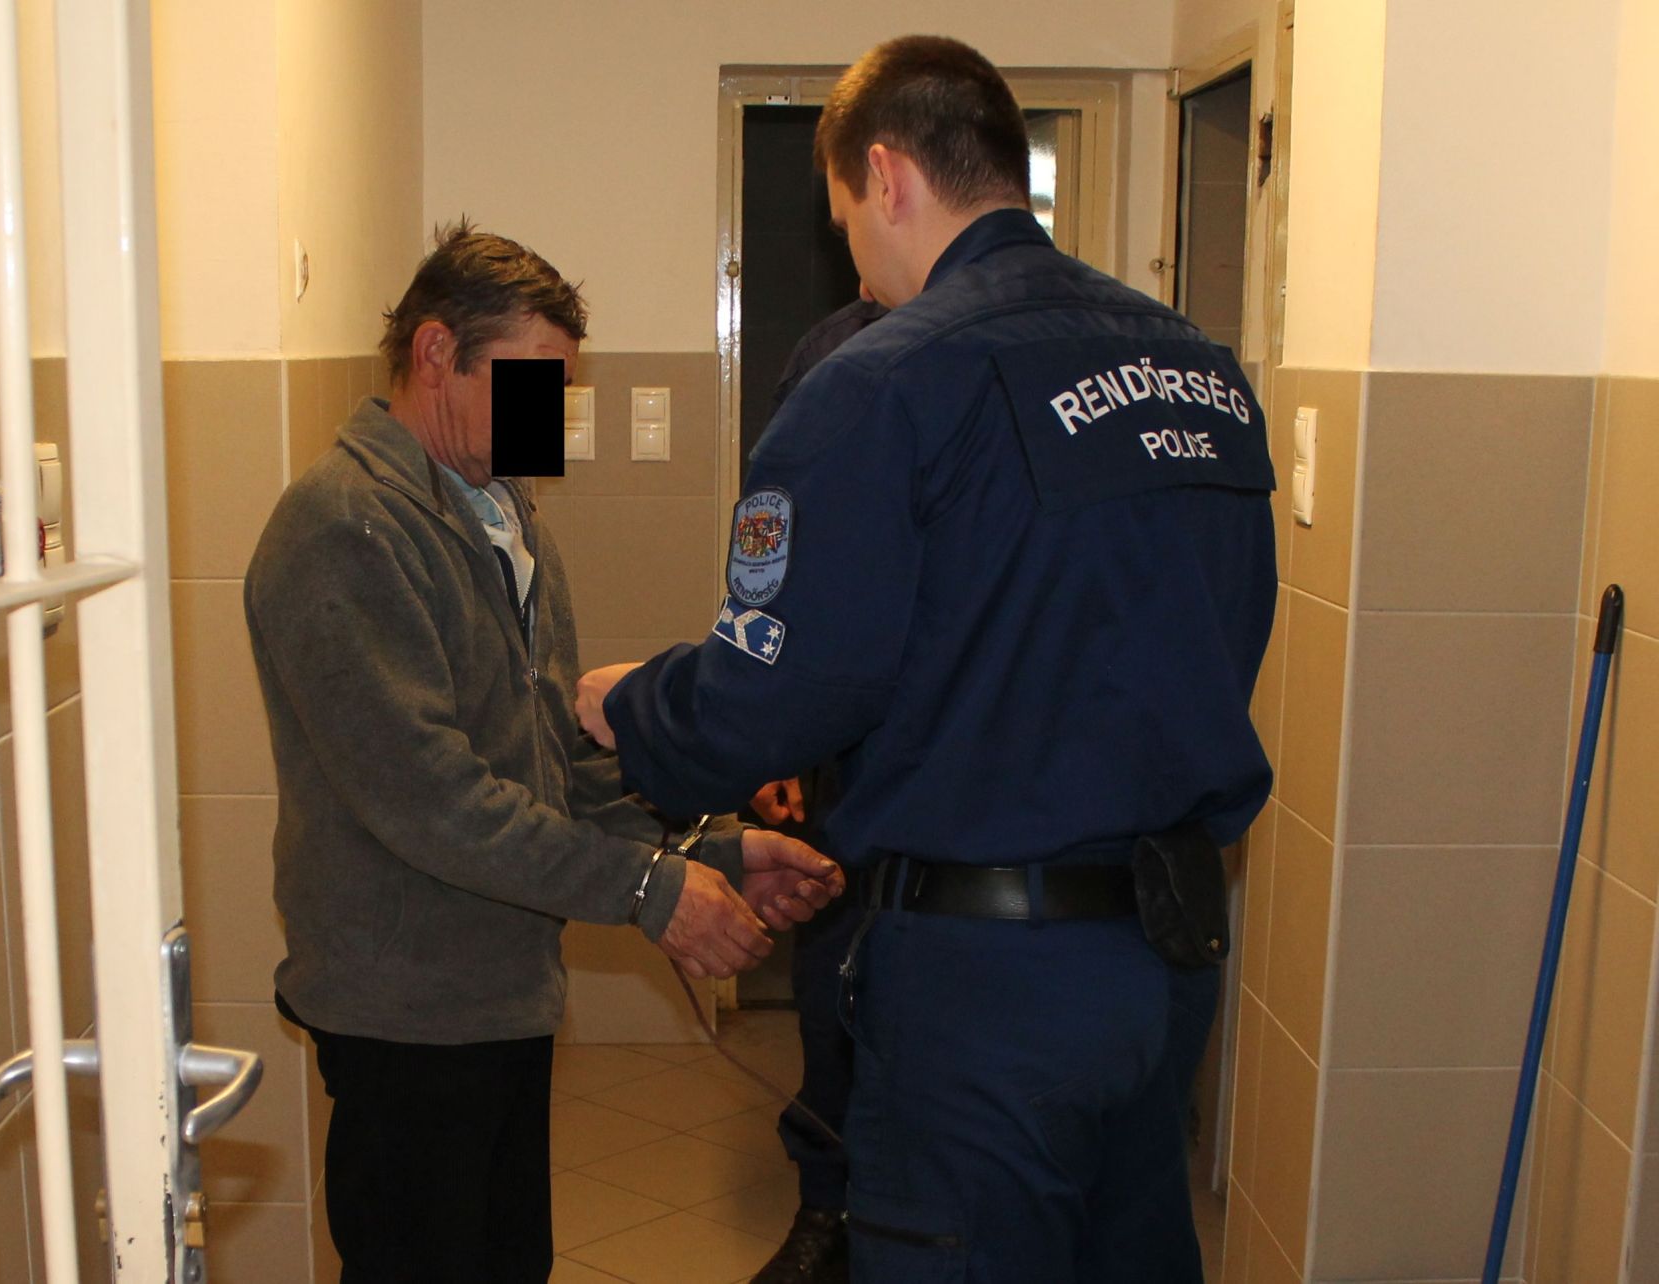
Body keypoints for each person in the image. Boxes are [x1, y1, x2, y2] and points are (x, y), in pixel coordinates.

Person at [577, 36, 1275, 1284]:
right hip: (1165, 963)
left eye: (846, 216)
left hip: (983, 987)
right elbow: (1221, 636)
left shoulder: (882, 384)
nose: (857, 257)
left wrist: (634, 709)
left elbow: (774, 693)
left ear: (887, 176)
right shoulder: (1199, 375)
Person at [244, 220, 845, 1284]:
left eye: (560, 392)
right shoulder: (343, 529)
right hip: (405, 1011)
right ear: (437, 352)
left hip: (502, 989)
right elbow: (436, 801)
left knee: (510, 1261)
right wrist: (648, 893)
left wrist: (707, 851)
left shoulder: (502, 513)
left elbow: (550, 761)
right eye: (532, 385)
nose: (551, 420)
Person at [745, 289, 886, 1284]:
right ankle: (825, 1208)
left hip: (949, 787)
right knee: (830, 997)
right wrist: (765, 746)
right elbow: (769, 601)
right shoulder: (830, 354)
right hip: (840, 772)